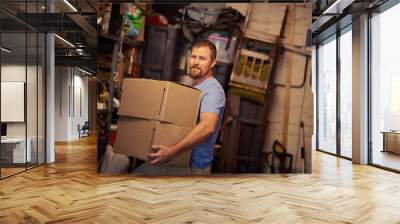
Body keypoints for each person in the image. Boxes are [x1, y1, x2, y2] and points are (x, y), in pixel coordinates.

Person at [133, 40, 226, 174]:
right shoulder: (194, 88)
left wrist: (171, 152)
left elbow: (208, 126)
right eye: (193, 57)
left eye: (202, 59)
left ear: (212, 63)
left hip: (192, 168)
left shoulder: (212, 90)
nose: (196, 62)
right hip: (176, 160)